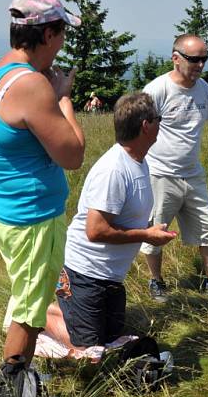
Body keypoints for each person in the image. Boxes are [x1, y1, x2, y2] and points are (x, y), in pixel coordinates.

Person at [0, 0, 84, 366]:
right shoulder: (33, 86)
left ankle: (19, 376)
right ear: (48, 34)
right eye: (63, 32)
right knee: (30, 313)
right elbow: (72, 154)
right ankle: (12, 391)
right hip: (34, 217)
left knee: (27, 292)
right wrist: (63, 96)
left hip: (5, 208)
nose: (63, 42)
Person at [43, 92, 176, 354]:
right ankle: (36, 319)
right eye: (158, 119)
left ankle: (64, 311)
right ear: (146, 126)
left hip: (110, 277)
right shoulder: (114, 169)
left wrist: (146, 232)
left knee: (111, 342)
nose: (161, 123)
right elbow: (96, 230)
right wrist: (146, 235)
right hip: (84, 272)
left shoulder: (139, 161)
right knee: (91, 354)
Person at [140, 34, 208, 301]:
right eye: (194, 59)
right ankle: (157, 282)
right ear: (176, 58)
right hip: (160, 173)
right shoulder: (157, 90)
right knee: (156, 231)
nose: (200, 65)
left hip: (193, 173)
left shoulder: (204, 89)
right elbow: (140, 130)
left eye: (204, 59)